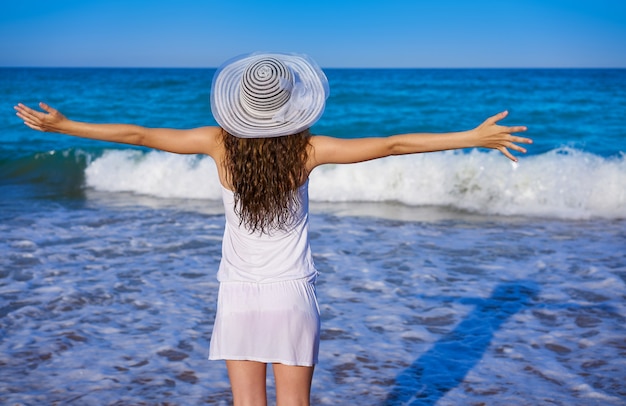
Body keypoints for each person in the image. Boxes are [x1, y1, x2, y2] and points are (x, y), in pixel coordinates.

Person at [14, 52, 531, 406]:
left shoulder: (218, 143)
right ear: (290, 105)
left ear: (240, 104)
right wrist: (472, 136)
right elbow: (393, 143)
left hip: (237, 295)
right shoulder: (308, 150)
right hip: (291, 297)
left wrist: (65, 126)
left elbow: (139, 133)